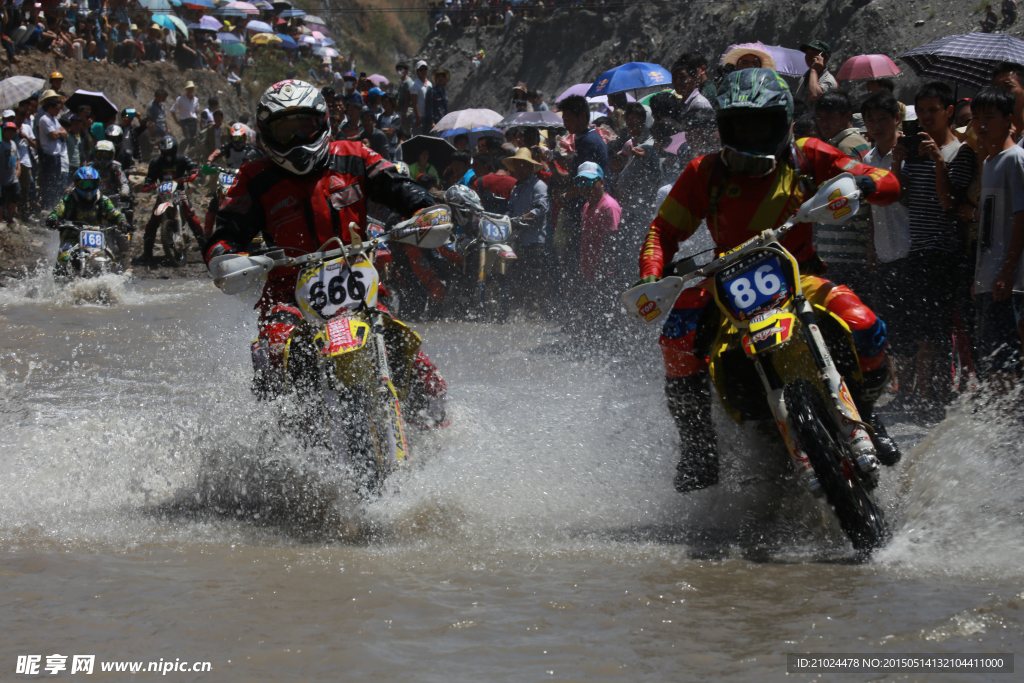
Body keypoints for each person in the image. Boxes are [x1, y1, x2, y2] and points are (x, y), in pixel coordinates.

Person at [638, 68, 901, 493]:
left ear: (784, 122)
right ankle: (698, 448)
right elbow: (662, 232)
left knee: (864, 323)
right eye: (742, 123)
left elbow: (887, 181)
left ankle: (869, 413)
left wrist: (862, 183)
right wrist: (651, 276)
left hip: (801, 275)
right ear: (725, 126)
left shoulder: (809, 154)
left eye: (762, 122)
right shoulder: (703, 171)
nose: (752, 132)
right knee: (675, 338)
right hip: (726, 283)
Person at [203, 80, 449, 426]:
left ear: (321, 123)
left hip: (360, 292)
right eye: (285, 130)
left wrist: (425, 209)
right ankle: (275, 442)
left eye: (304, 127)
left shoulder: (356, 156)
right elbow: (227, 230)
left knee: (423, 371)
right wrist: (224, 255)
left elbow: (401, 189)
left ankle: (439, 441)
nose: (297, 140)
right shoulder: (254, 176)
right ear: (266, 133)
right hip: (289, 295)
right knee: (275, 350)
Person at [890, 82, 977, 420]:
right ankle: (933, 391)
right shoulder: (913, 149)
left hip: (945, 248)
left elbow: (948, 202)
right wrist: (898, 163)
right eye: (921, 111)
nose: (926, 117)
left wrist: (939, 161)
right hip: (917, 246)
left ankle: (928, 393)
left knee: (936, 326)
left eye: (933, 110)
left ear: (949, 111)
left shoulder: (961, 151)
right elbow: (900, 196)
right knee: (925, 324)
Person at [861, 92, 914, 389]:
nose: (877, 125)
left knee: (911, 324)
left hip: (910, 246)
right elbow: (871, 208)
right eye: (871, 120)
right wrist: (870, 245)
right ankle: (898, 385)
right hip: (883, 249)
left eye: (883, 118)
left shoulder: (907, 153)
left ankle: (909, 386)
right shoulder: (868, 159)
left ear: (897, 119)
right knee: (889, 320)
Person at [971, 87, 1024, 379]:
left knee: (1004, 361)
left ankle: (1009, 423)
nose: (981, 124)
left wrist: (1006, 270)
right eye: (977, 117)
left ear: (1008, 119)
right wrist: (979, 277)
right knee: (992, 358)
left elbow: (1022, 216)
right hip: (988, 278)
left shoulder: (1015, 158)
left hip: (1009, 280)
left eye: (989, 117)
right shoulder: (990, 162)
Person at [813, 90, 874, 296]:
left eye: (830, 116)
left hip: (845, 251)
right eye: (820, 117)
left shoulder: (844, 148)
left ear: (847, 116)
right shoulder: (857, 143)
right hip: (851, 250)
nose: (823, 122)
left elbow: (854, 199)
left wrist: (863, 239)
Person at [137, 135, 205, 264]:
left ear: (174, 149)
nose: (167, 154)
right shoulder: (156, 162)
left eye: (169, 150)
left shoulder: (182, 159)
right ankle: (147, 253)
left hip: (179, 191)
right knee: (152, 222)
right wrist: (147, 184)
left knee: (193, 219)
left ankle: (205, 249)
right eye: (164, 151)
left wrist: (193, 172)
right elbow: (150, 177)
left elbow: (193, 167)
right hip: (163, 193)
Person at [46, 166, 130, 262]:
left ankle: (117, 273)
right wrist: (52, 219)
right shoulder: (69, 200)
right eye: (85, 185)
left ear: (98, 184)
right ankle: (58, 276)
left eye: (92, 184)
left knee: (111, 260)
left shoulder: (103, 200)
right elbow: (57, 211)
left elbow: (114, 213)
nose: (89, 188)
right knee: (64, 258)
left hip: (97, 237)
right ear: (77, 184)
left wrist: (123, 222)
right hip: (72, 236)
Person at [504, 146, 550, 304]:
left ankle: (536, 308)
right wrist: (507, 218)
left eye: (523, 165)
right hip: (517, 240)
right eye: (517, 165)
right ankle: (522, 306)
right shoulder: (517, 188)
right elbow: (510, 209)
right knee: (517, 276)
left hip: (534, 240)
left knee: (534, 277)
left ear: (530, 167)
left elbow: (540, 209)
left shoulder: (539, 186)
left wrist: (521, 218)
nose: (519, 168)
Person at [577, 161, 620, 289]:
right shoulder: (587, 205)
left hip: (605, 275)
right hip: (589, 273)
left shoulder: (609, 207)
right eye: (581, 183)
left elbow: (611, 245)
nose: (586, 187)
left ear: (601, 183)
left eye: (590, 182)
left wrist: (601, 276)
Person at [37, 90, 69, 212]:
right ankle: (46, 205)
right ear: (50, 107)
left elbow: (64, 133)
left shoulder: (54, 120)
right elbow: (53, 135)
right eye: (56, 108)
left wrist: (59, 133)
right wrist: (59, 133)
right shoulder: (44, 119)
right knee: (48, 181)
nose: (58, 111)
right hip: (48, 154)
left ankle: (53, 205)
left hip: (57, 154)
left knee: (55, 181)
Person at [670, 52, 714, 117]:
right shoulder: (680, 104)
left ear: (694, 78)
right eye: (675, 78)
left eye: (682, 77)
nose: (677, 82)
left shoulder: (699, 104)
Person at [794, 39, 836, 106]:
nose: (809, 57)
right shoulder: (805, 77)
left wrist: (814, 70)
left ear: (825, 57)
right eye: (807, 54)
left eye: (814, 54)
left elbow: (815, 95)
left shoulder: (828, 79)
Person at [0, 122, 21, 226]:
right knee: (1, 199)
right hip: (2, 177)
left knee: (16, 195)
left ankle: (9, 217)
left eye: (13, 130)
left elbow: (17, 158)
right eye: (8, 130)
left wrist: (19, 169)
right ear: (3, 131)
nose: (10, 132)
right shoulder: (1, 144)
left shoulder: (13, 143)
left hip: (13, 177)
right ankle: (1, 221)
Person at [172, 81, 200, 147]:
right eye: (189, 88)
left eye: (192, 88)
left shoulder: (196, 99)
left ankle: (191, 155)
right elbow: (173, 110)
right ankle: (179, 151)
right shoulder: (180, 99)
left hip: (193, 121)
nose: (190, 90)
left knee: (193, 139)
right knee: (187, 138)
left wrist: (195, 117)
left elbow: (197, 110)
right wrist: (176, 121)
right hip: (185, 121)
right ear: (186, 90)